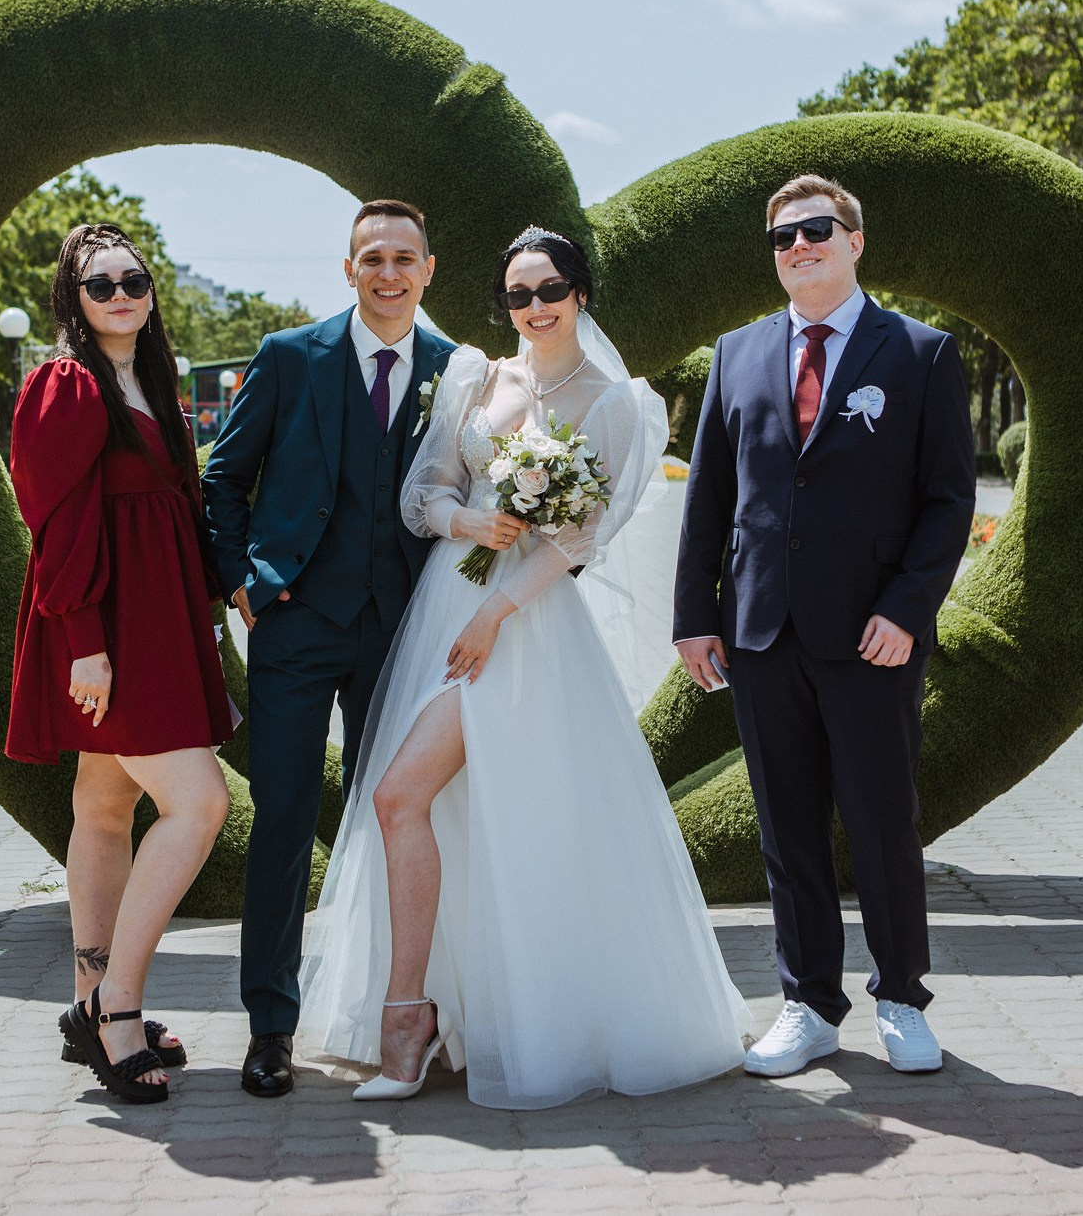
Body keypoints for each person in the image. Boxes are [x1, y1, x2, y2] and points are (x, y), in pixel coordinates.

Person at [301, 226, 748, 1109]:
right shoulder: (476, 376)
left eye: (549, 289)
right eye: (517, 294)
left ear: (580, 291)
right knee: (437, 809)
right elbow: (422, 495)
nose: (533, 307)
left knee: (410, 797)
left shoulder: (616, 402)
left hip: (524, 625)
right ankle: (443, 1011)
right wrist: (476, 527)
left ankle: (414, 1016)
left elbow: (582, 538)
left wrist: (498, 611)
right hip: (446, 604)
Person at [672, 174, 975, 1079]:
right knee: (787, 828)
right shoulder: (738, 353)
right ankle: (807, 1003)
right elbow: (709, 498)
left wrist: (907, 608)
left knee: (883, 823)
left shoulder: (920, 354)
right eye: (781, 237)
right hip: (761, 631)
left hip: (871, 634)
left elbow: (948, 500)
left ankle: (902, 998)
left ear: (854, 241)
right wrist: (695, 618)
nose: (797, 246)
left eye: (815, 230)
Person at [201, 199, 457, 1098]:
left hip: (404, 629)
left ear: (429, 270)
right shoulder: (287, 357)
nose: (388, 273)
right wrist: (241, 582)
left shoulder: (457, 370)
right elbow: (222, 480)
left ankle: (403, 1010)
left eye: (404, 259)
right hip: (297, 624)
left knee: (403, 819)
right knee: (280, 822)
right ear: (348, 269)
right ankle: (272, 1024)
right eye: (372, 258)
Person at [5, 222, 235, 1105]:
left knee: (106, 804)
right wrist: (84, 643)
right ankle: (117, 1007)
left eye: (132, 279)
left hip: (158, 619)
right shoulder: (66, 383)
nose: (120, 295)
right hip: (109, 631)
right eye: (99, 285)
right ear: (74, 298)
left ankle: (83, 1007)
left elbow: (174, 508)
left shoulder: (153, 380)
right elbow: (55, 524)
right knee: (200, 801)